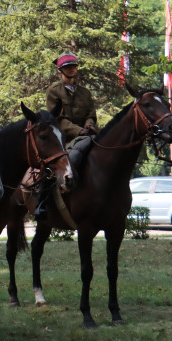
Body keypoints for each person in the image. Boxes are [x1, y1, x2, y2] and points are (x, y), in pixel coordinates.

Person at [36, 52, 98, 219]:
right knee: (50, 167)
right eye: (67, 67)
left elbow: (91, 114)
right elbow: (56, 118)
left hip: (86, 135)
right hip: (62, 138)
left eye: (73, 66)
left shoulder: (85, 92)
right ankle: (42, 202)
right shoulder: (53, 91)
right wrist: (79, 131)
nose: (71, 69)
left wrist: (89, 126)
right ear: (60, 70)